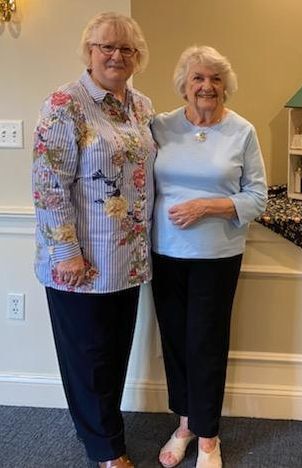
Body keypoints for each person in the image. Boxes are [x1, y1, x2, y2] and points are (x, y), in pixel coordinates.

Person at [31, 12, 156, 468]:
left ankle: (108, 434)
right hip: (79, 260)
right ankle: (105, 451)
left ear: (137, 58)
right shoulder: (64, 104)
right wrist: (66, 252)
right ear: (89, 52)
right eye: (106, 46)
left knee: (113, 354)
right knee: (87, 359)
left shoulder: (141, 106)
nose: (116, 55)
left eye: (126, 49)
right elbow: (48, 185)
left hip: (128, 259)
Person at [150, 45, 267, 468]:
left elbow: (257, 198)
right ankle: (184, 424)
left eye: (216, 79)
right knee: (176, 343)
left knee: (207, 345)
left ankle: (209, 437)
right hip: (164, 253)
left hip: (216, 256)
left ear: (226, 86)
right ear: (184, 84)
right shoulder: (159, 126)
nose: (207, 86)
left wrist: (207, 206)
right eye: (198, 77)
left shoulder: (242, 131)